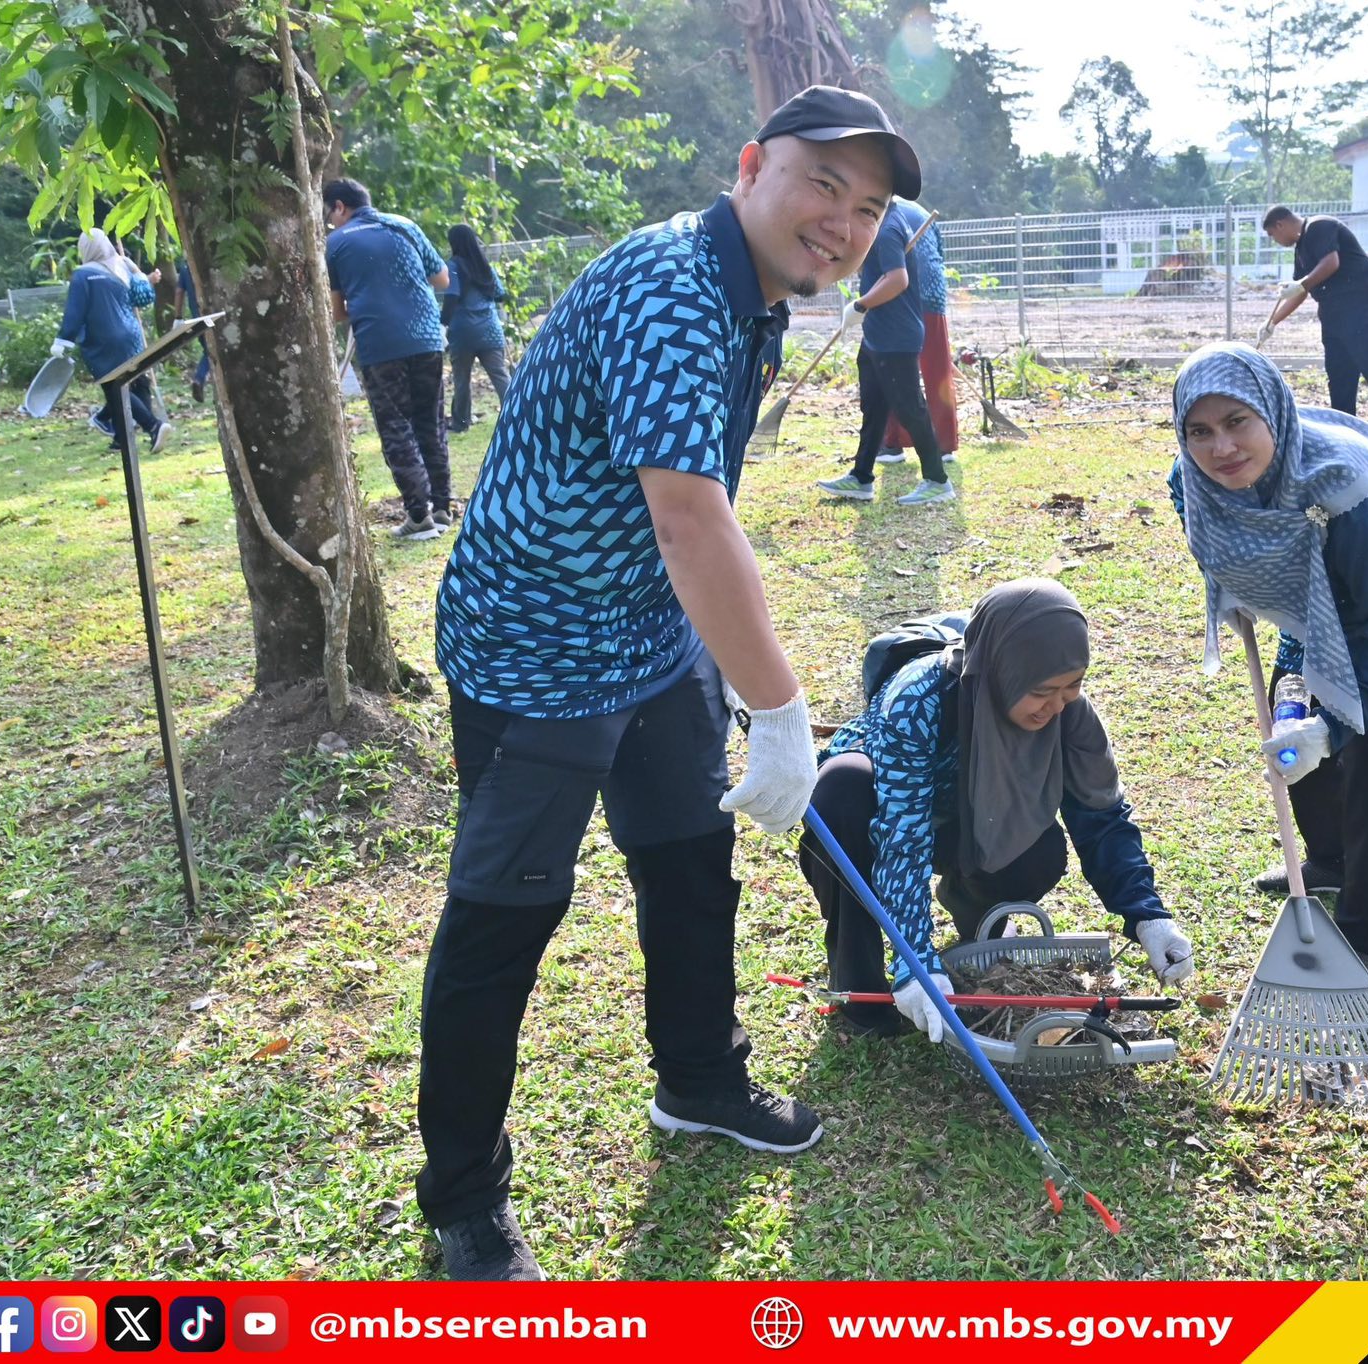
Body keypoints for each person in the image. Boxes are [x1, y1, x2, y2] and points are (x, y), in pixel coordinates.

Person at [419, 85, 921, 1281]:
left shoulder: (751, 294)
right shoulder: (671, 291)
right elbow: (691, 517)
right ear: (749, 165)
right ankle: (461, 1204)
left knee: (689, 863)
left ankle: (699, 1079)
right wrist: (787, 709)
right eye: (820, 185)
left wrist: (732, 674)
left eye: (867, 208)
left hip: (651, 637)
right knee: (504, 923)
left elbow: (686, 538)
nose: (841, 224)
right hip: (534, 651)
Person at [1170, 342, 1368, 974]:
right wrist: (1232, 585)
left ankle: (1364, 931)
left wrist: (1336, 724)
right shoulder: (1191, 479)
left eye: (1237, 423)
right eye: (1199, 431)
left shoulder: (1340, 483)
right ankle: (1331, 860)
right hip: (1320, 592)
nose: (1220, 449)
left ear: (1272, 414)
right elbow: (1208, 531)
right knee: (1290, 728)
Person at [802, 579, 1193, 1039]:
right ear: (1003, 671)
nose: (1056, 705)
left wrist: (1147, 914)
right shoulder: (919, 700)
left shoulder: (1070, 714)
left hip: (972, 820)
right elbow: (901, 838)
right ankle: (861, 986)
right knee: (839, 792)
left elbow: (1102, 818)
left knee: (1042, 849)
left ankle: (977, 925)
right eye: (1043, 689)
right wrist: (916, 964)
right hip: (883, 812)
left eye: (1073, 684)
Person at [323, 178, 452, 541]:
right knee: (431, 421)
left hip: (380, 346)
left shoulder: (336, 243)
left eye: (330, 213)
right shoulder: (404, 225)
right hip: (427, 338)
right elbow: (441, 278)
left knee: (397, 426)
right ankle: (442, 507)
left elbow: (337, 312)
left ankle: (417, 515)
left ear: (339, 207)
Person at [813, 196, 954, 506]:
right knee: (873, 407)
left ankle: (937, 480)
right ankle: (861, 478)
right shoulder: (877, 224)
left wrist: (860, 305)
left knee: (910, 408)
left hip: (896, 338)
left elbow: (897, 279)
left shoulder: (888, 228)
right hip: (877, 334)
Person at [1256, 205, 1368, 445]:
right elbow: (1300, 291)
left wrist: (1302, 284)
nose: (1275, 241)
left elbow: (1331, 263)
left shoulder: (1320, 226)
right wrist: (1272, 323)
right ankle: (1345, 426)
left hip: (1361, 299)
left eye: (1272, 235)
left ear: (1280, 225)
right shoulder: (1301, 250)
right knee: (1339, 369)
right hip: (1334, 309)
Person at [54, 229, 172, 454]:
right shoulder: (122, 265)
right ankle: (122, 439)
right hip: (132, 335)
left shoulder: (83, 274)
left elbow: (75, 312)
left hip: (104, 340)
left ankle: (153, 425)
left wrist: (64, 339)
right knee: (136, 381)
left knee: (115, 388)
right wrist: (143, 275)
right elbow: (141, 296)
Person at [873, 200, 958, 468]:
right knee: (937, 370)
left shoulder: (877, 211)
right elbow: (940, 253)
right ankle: (944, 445)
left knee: (891, 368)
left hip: (899, 298)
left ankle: (892, 443)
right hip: (933, 294)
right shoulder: (920, 210)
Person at [442, 224, 512, 433]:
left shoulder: (453, 266)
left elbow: (452, 296)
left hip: (463, 332)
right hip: (489, 329)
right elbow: (500, 294)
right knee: (500, 375)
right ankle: (516, 413)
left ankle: (461, 422)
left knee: (462, 378)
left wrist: (442, 323)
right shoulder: (484, 266)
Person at [174, 259, 213, 404]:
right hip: (212, 315)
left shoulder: (185, 268)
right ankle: (199, 378)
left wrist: (178, 317)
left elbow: (179, 292)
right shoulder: (205, 263)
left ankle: (200, 378)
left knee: (209, 351)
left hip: (198, 318)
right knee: (211, 351)